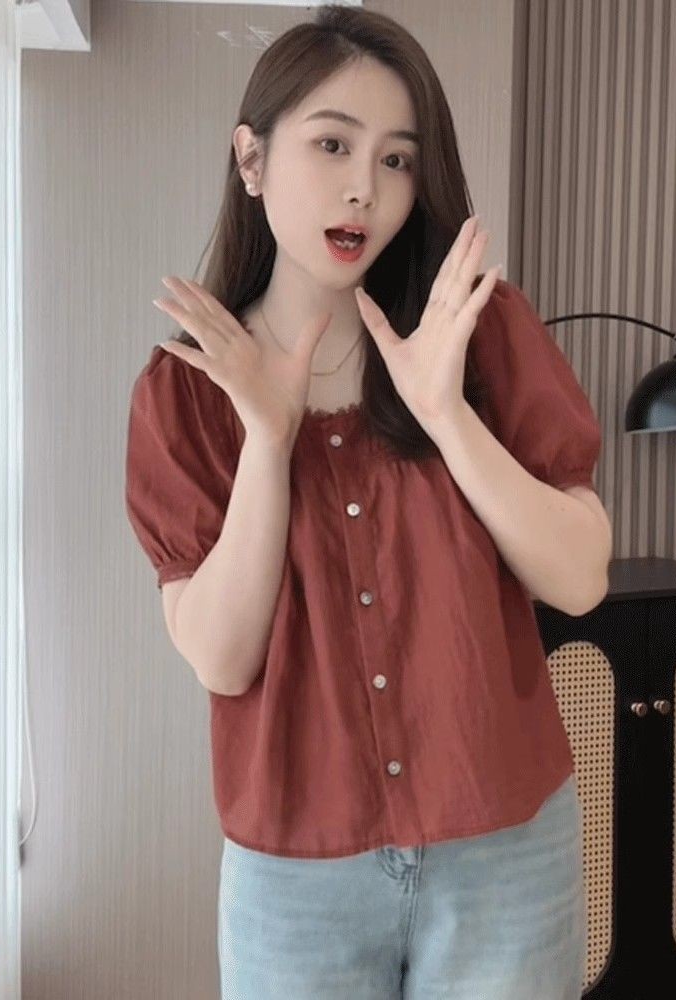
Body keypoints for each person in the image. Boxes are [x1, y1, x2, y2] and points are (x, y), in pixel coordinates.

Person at [125, 6, 609, 998]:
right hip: (297, 877)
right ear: (251, 159)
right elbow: (221, 656)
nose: (365, 188)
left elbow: (579, 578)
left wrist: (446, 415)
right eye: (333, 145)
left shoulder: (478, 333)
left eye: (397, 159)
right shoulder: (184, 395)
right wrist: (268, 441)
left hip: (506, 851)